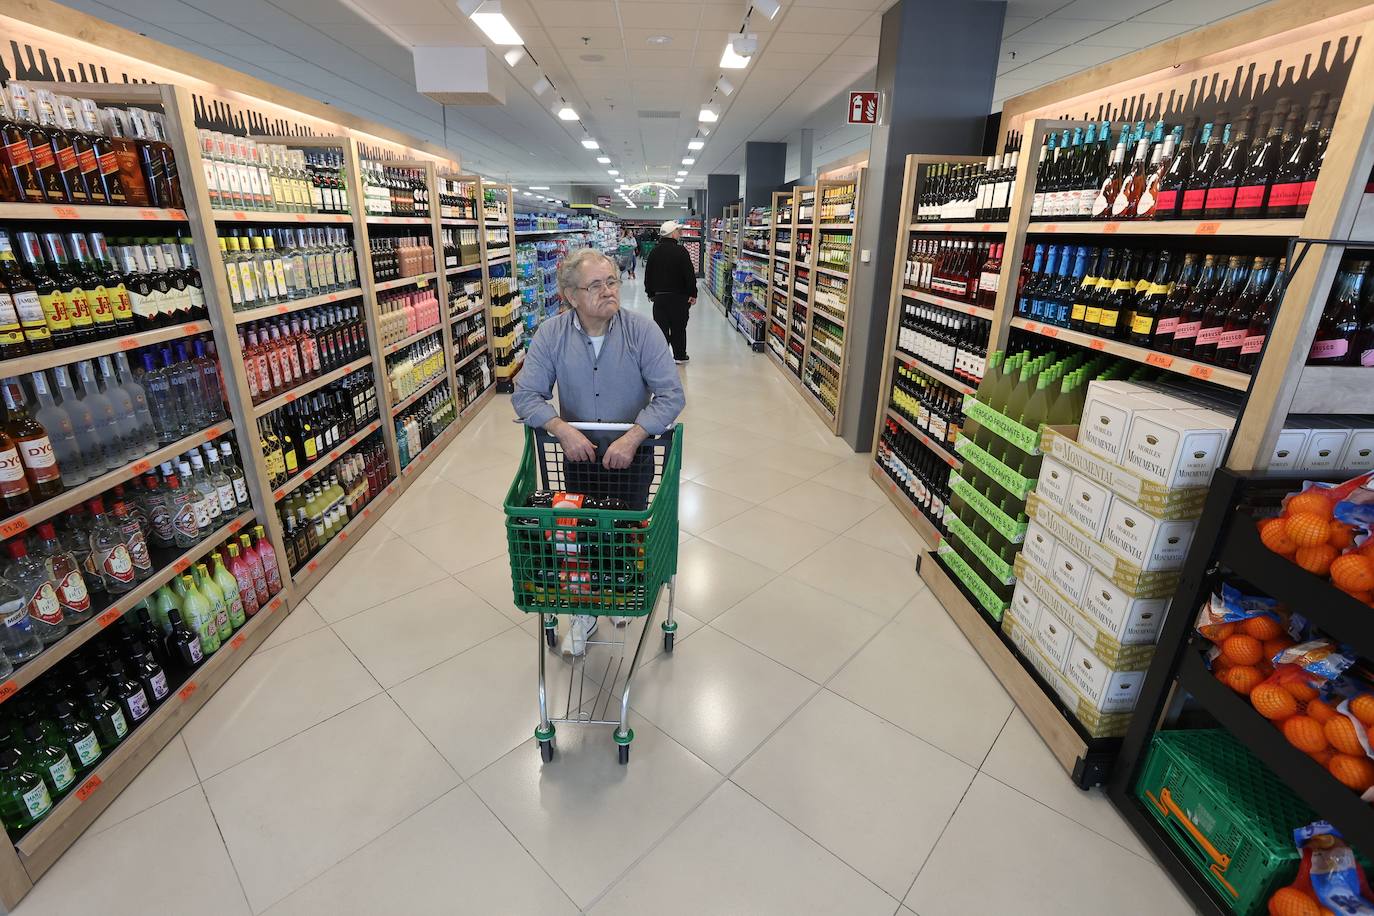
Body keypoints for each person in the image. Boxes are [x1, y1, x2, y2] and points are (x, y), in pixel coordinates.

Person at [512, 248, 685, 657]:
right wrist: (559, 428)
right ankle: (585, 612)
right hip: (578, 461)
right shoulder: (552, 335)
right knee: (582, 534)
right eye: (595, 285)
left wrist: (634, 436)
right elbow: (526, 396)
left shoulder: (643, 332)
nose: (608, 291)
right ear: (571, 295)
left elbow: (671, 395)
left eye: (612, 281)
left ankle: (621, 591)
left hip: (636, 457)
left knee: (627, 530)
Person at [644, 220, 696, 364]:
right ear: (673, 234)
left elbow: (648, 274)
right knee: (679, 327)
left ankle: (661, 358)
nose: (679, 234)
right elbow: (689, 275)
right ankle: (679, 355)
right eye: (678, 232)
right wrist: (693, 293)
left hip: (660, 298)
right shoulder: (681, 251)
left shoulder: (654, 251)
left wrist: (650, 293)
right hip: (679, 298)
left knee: (661, 329)